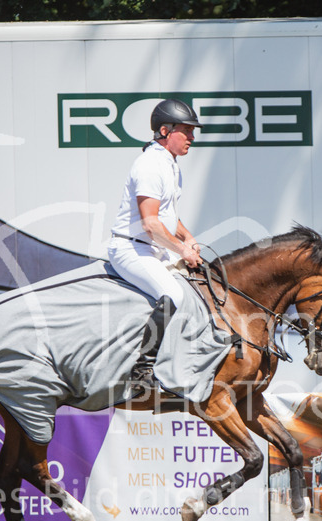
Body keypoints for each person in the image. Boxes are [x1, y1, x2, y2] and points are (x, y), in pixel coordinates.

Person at [107, 98, 204, 394]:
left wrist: (188, 237)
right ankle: (143, 370)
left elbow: (167, 215)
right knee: (173, 294)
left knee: (197, 290)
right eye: (186, 130)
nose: (192, 137)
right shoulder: (150, 165)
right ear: (165, 131)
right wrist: (182, 250)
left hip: (153, 248)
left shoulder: (170, 165)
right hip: (131, 248)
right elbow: (150, 223)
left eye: (192, 131)